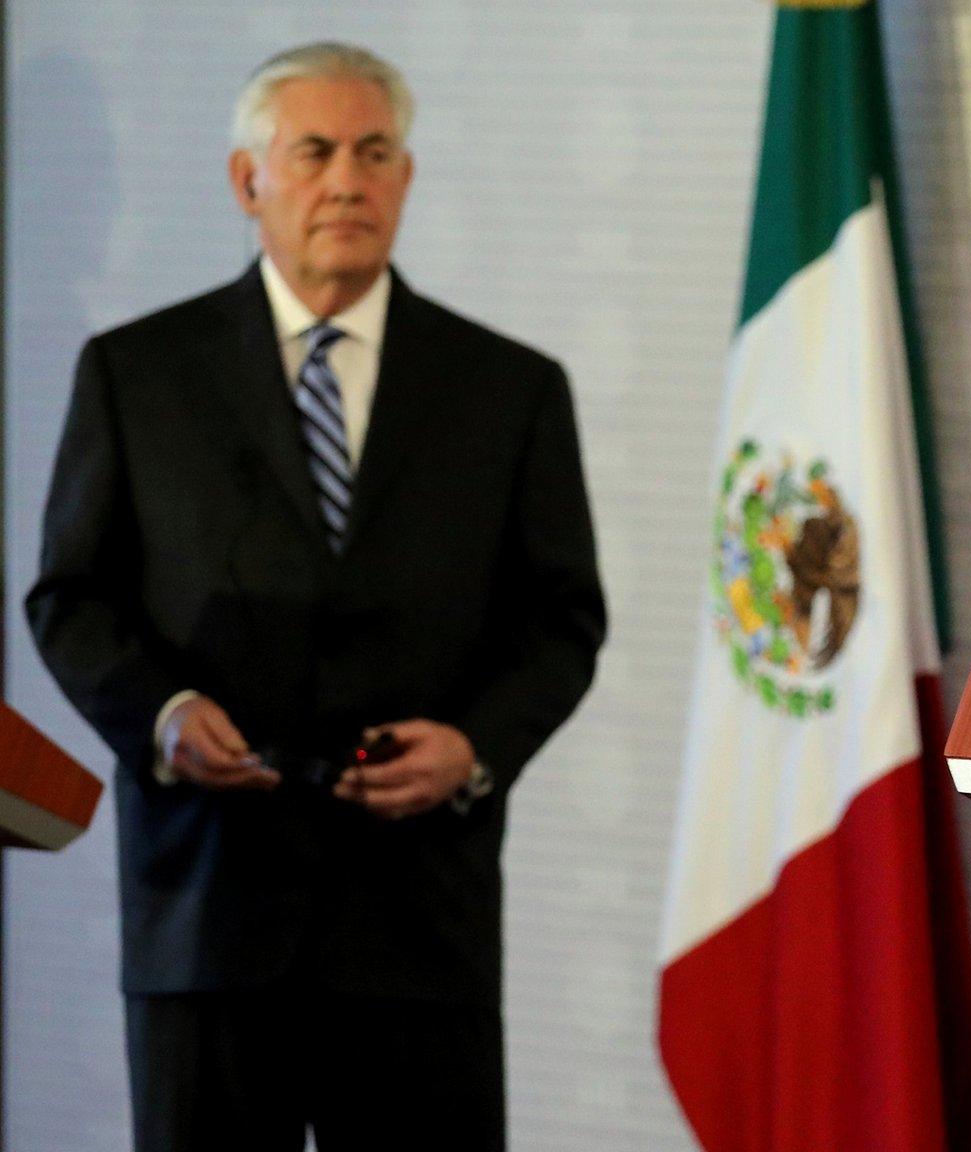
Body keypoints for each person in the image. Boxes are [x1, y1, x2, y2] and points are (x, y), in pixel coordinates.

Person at [25, 42, 606, 1151]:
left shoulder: (509, 390)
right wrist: (161, 715)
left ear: (406, 177)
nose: (348, 179)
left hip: (416, 920)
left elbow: (560, 620)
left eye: (374, 152)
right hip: (206, 909)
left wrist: (474, 747)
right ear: (249, 182)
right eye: (316, 152)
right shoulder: (137, 375)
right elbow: (71, 596)